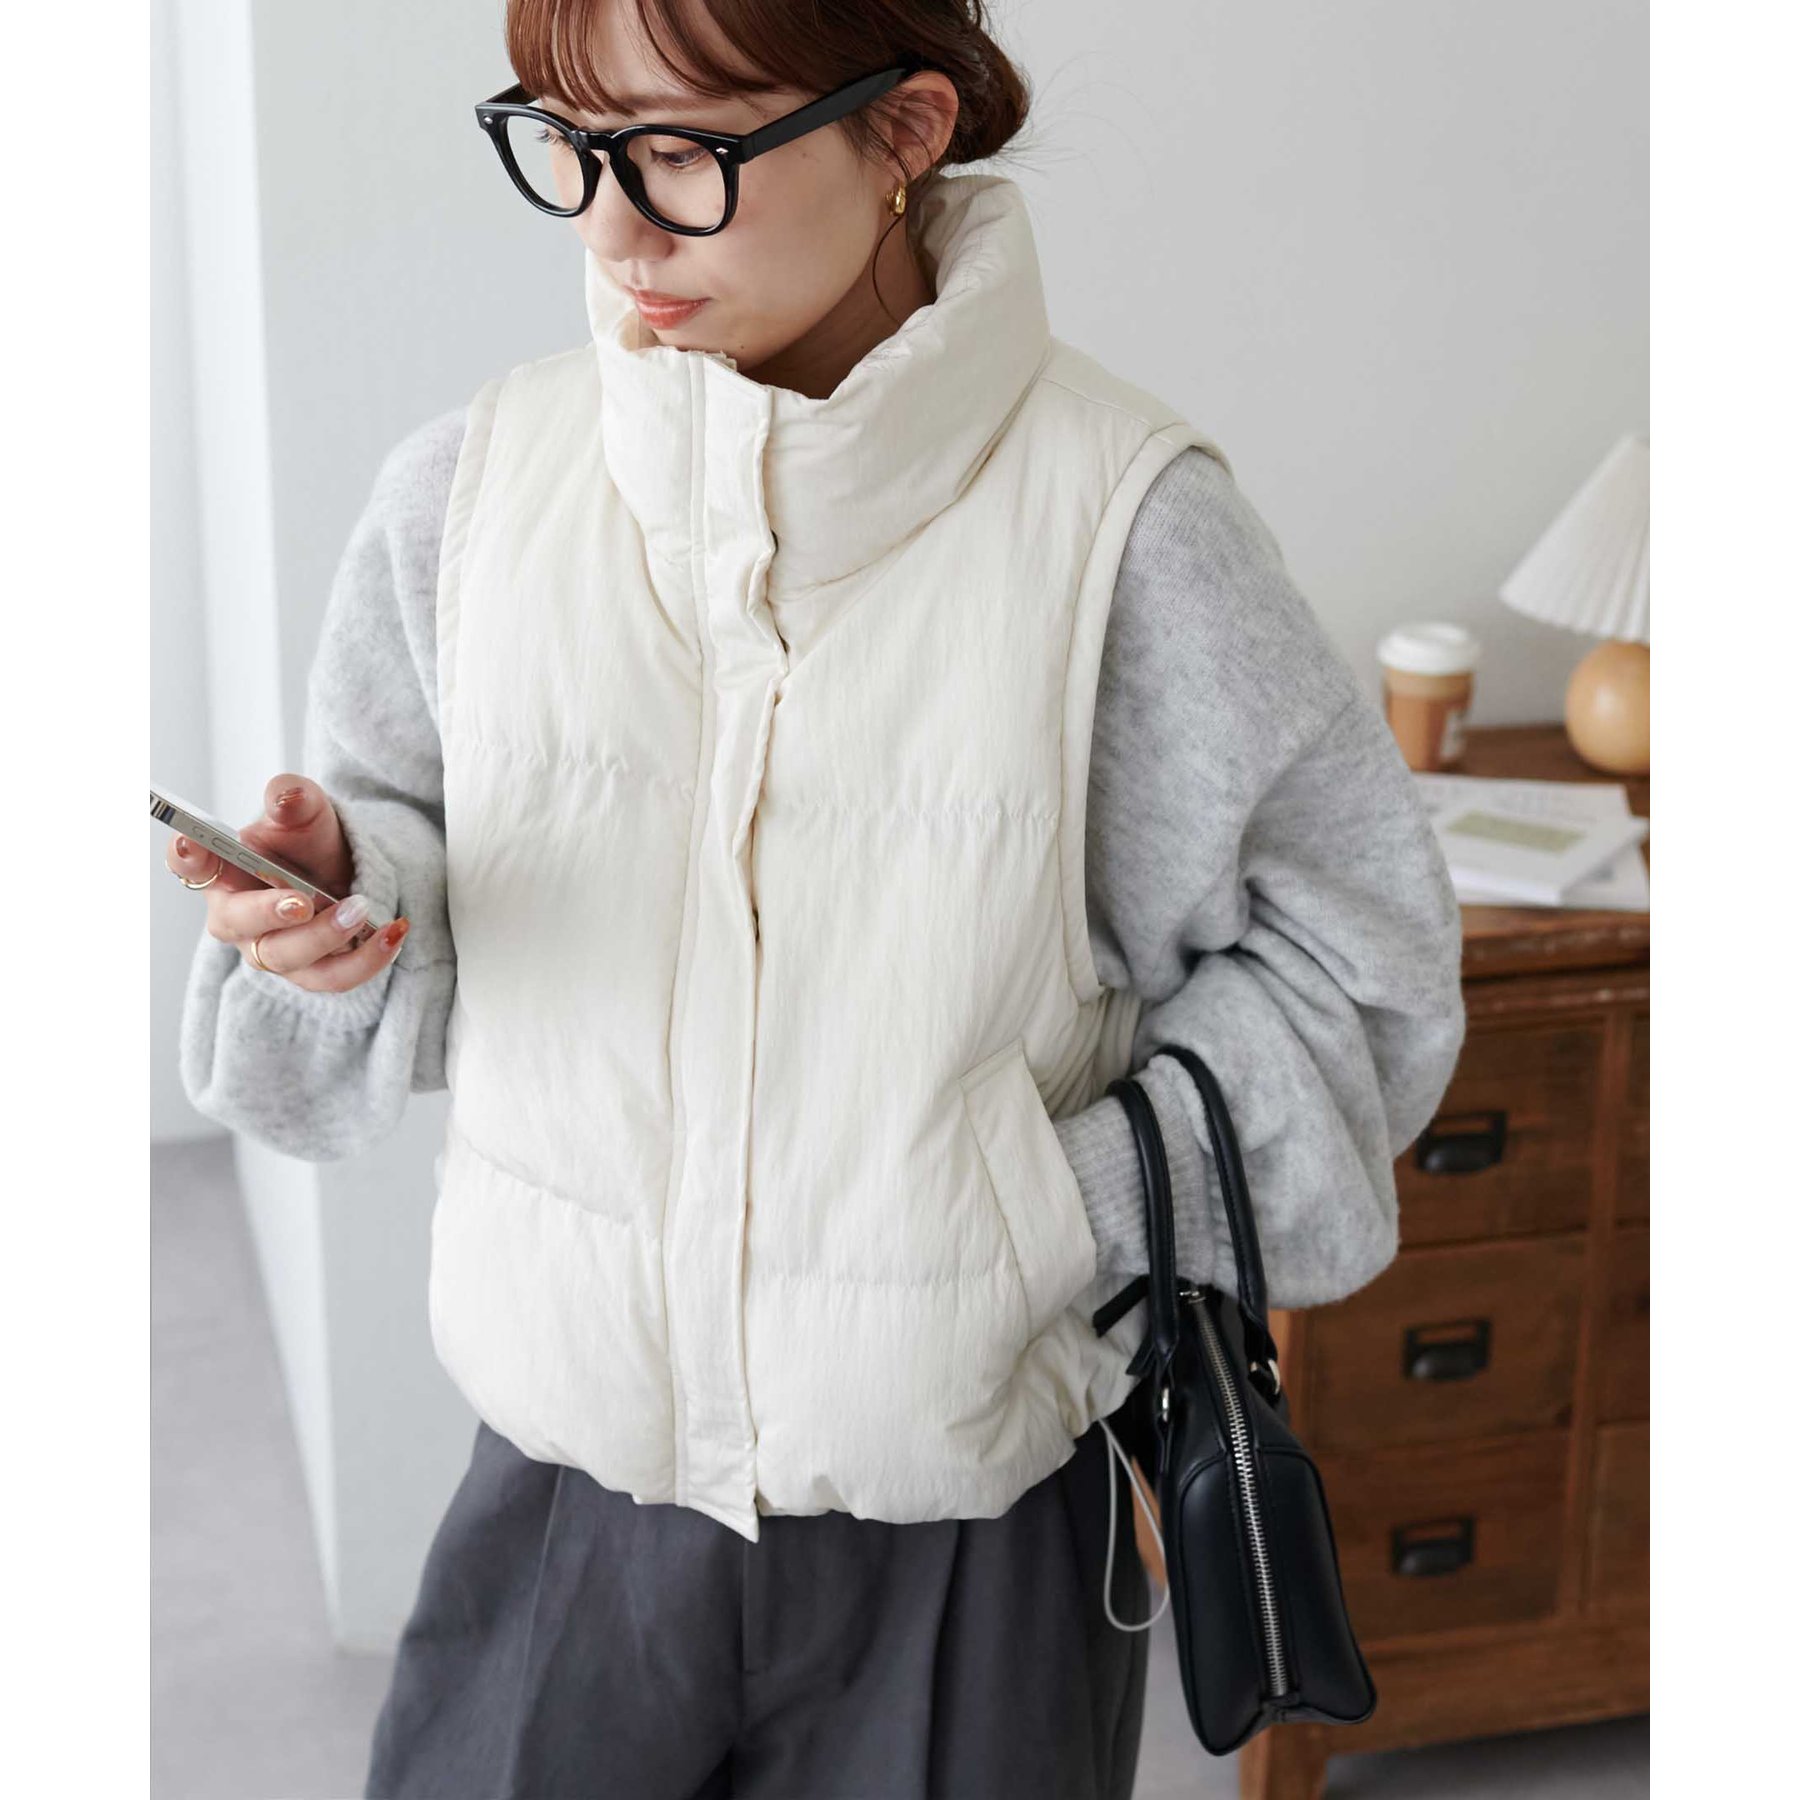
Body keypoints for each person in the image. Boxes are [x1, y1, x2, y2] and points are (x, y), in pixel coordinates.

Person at [167, 3, 1467, 1795]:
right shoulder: (467, 496)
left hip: (965, 1543)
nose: (614, 228)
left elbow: (1359, 972)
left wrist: (1038, 1211)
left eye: (682, 152)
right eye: (571, 143)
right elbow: (433, 861)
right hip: (562, 1501)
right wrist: (342, 912)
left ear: (906, 131)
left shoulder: (1126, 529)